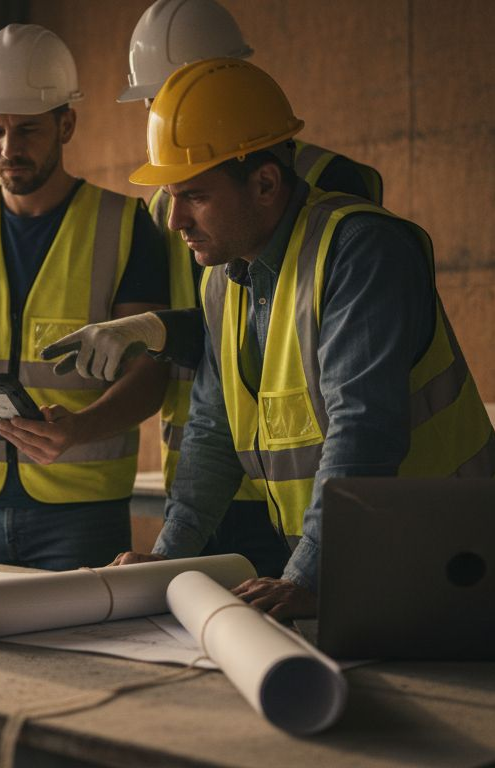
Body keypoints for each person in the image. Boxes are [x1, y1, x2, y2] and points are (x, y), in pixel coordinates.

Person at [48, 57, 495, 618]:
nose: (175, 222)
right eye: (172, 197)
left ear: (265, 183)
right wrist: (167, 559)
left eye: (194, 196)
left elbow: (361, 429)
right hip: (369, 560)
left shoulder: (361, 250)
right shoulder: (224, 278)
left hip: (456, 559)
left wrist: (307, 576)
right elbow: (213, 432)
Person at [0, 24, 170, 571]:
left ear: (67, 123)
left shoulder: (123, 226)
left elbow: (151, 375)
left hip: (82, 510)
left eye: (27, 131)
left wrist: (77, 430)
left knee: (82, 655)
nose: (8, 149)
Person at [119, 0, 385, 498]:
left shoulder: (337, 196)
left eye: (182, 95)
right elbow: (228, 327)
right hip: (211, 459)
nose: (170, 117)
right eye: (156, 104)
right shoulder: (165, 202)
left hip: (311, 474)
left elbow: (312, 348)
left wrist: (160, 329)